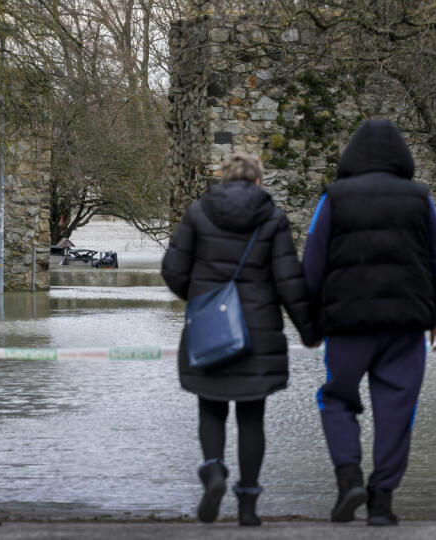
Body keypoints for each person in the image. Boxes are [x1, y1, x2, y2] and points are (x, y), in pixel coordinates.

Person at [302, 119, 436, 526]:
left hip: (346, 326)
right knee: (396, 409)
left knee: (336, 399)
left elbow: (312, 264)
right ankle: (381, 502)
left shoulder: (332, 198)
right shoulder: (420, 199)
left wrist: (311, 324)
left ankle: (349, 477)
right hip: (405, 328)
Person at [162, 153, 317, 526]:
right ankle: (247, 507)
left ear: (223, 178)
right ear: (258, 182)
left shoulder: (198, 213)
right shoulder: (273, 218)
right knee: (251, 417)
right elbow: (288, 281)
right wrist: (310, 331)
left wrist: (200, 298)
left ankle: (214, 471)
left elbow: (172, 270)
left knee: (211, 407)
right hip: (258, 332)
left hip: (208, 330)